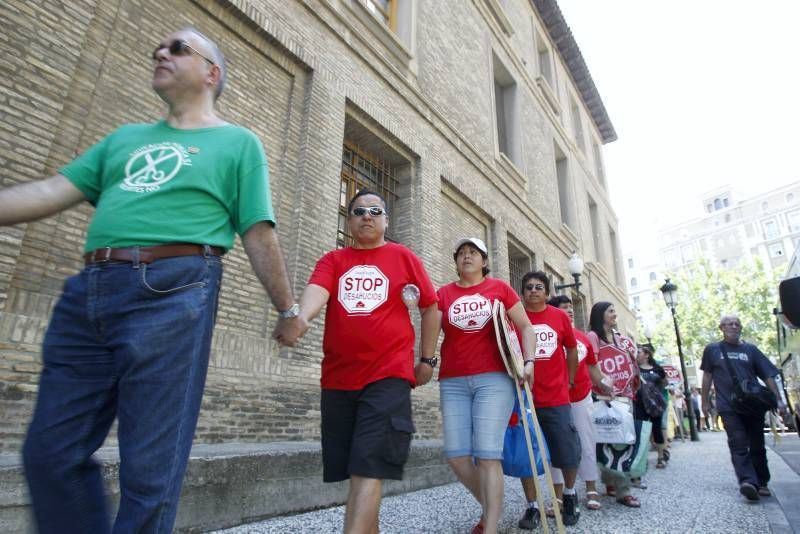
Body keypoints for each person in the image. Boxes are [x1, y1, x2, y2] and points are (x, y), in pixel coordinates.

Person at [3, 28, 306, 533]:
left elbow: (257, 231)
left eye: (178, 48)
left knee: (151, 470)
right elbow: (52, 189)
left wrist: (287, 310)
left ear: (212, 73)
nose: (161, 53)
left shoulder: (237, 143)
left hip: (175, 291)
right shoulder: (123, 140)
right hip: (88, 293)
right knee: (49, 452)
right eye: (157, 50)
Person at [297, 189, 438, 534]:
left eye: (375, 210)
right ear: (349, 220)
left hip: (387, 376)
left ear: (386, 220)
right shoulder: (333, 260)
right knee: (359, 472)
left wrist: (427, 359)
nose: (367, 216)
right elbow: (318, 290)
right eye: (358, 211)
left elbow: (431, 306)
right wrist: (301, 318)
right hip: (338, 379)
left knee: (368, 468)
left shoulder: (402, 257)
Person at [433, 237, 536, 534]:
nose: (466, 257)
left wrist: (529, 361)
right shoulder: (444, 294)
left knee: (488, 453)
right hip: (452, 380)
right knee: (456, 456)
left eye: (473, 253)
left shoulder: (500, 289)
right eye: (461, 253)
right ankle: (493, 506)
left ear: (484, 261)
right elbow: (430, 325)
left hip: (495, 378)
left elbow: (526, 326)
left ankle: (489, 526)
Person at [513, 272, 581, 529]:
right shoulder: (516, 318)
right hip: (525, 398)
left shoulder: (560, 317)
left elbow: (572, 349)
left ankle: (570, 495)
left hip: (556, 397)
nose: (533, 290)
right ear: (522, 293)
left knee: (566, 450)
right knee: (526, 454)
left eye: (538, 287)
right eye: (528, 287)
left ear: (547, 293)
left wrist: (570, 379)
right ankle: (532, 506)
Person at [700, 314, 788, 501]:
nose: (734, 326)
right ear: (721, 328)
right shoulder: (712, 350)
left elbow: (768, 376)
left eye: (737, 324)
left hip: (753, 405)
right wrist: (705, 402)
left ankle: (762, 481)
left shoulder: (751, 350)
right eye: (729, 324)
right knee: (738, 442)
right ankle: (748, 481)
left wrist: (778, 400)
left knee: (757, 445)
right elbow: (707, 376)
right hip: (727, 406)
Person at [545, 295, 612, 514]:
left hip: (581, 396)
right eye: (564, 308)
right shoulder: (547, 335)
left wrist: (604, 384)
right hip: (555, 398)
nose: (570, 310)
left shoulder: (583, 338)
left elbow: (593, 368)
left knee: (585, 441)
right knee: (557, 446)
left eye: (571, 307)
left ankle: (591, 488)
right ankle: (558, 495)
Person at [586, 302, 641, 508]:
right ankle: (616, 486)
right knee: (607, 440)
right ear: (600, 315)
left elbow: (627, 362)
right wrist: (605, 386)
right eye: (610, 311)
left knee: (623, 441)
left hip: (624, 395)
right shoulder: (593, 337)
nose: (615, 314)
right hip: (603, 396)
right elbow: (592, 364)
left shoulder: (620, 338)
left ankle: (620, 487)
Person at [634, 346, 668, 468]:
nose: (636, 354)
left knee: (657, 430)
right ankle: (643, 459)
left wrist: (655, 393)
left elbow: (665, 383)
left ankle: (660, 457)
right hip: (639, 404)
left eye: (638, 352)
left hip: (655, 405)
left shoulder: (658, 369)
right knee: (642, 432)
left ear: (647, 355)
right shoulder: (634, 368)